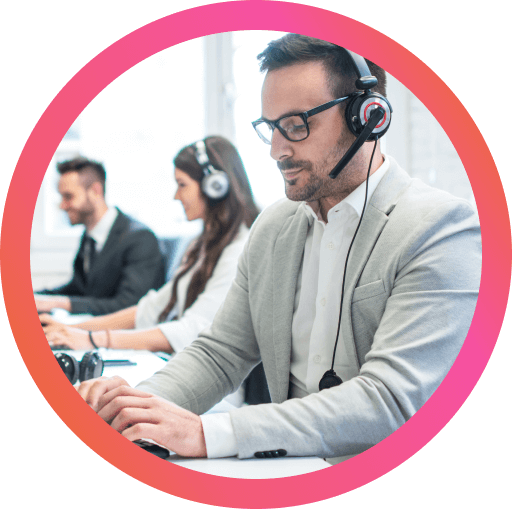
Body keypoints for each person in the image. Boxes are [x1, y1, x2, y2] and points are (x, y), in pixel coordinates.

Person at [77, 35, 481, 464]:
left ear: (367, 117)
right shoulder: (274, 226)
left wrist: (206, 433)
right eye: (270, 127)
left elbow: (391, 400)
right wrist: (133, 409)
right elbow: (221, 353)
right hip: (285, 468)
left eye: (296, 125)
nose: (276, 150)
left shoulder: (440, 229)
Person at [42, 136, 265, 407]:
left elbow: (191, 329)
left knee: (96, 400)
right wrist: (72, 329)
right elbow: (150, 308)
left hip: (216, 391)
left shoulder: (240, 248)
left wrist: (91, 338)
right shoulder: (205, 246)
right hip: (181, 368)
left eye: (182, 185)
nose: (176, 196)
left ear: (215, 186)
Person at [34, 156, 165, 316]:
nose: (62, 205)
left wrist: (60, 304)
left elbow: (129, 306)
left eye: (68, 196)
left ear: (95, 191)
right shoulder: (89, 237)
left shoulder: (140, 239)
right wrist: (34, 297)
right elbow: (78, 289)